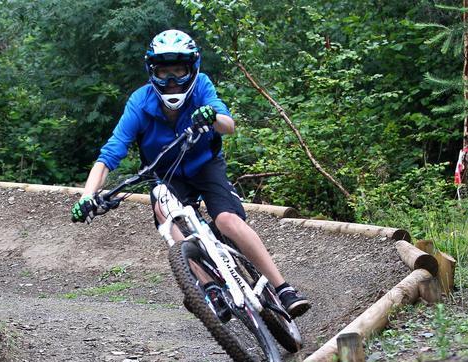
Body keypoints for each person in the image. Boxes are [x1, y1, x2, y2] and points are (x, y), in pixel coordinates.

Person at [71, 29, 310, 318]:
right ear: (152, 72)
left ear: (192, 69)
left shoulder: (201, 88)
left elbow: (228, 125)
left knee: (226, 220)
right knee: (164, 210)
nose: (171, 81)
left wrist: (212, 117)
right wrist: (87, 196)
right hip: (167, 177)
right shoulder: (139, 103)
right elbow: (109, 155)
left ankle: (283, 288)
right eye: (163, 72)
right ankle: (209, 290)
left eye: (179, 71)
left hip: (206, 167)